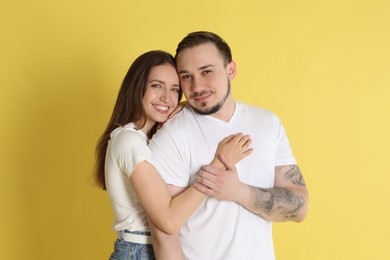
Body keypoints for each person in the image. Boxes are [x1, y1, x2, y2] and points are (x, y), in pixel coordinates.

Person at [148, 32, 309, 260]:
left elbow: (299, 207)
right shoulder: (172, 134)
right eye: (186, 76)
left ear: (230, 70)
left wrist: (239, 192)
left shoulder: (267, 122)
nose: (197, 86)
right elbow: (162, 231)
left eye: (206, 71)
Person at [94, 50, 253, 260]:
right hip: (140, 251)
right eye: (156, 85)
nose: (166, 98)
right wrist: (219, 163)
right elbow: (168, 220)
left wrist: (183, 107)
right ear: (136, 86)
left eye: (174, 90)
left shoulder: (146, 139)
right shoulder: (129, 141)